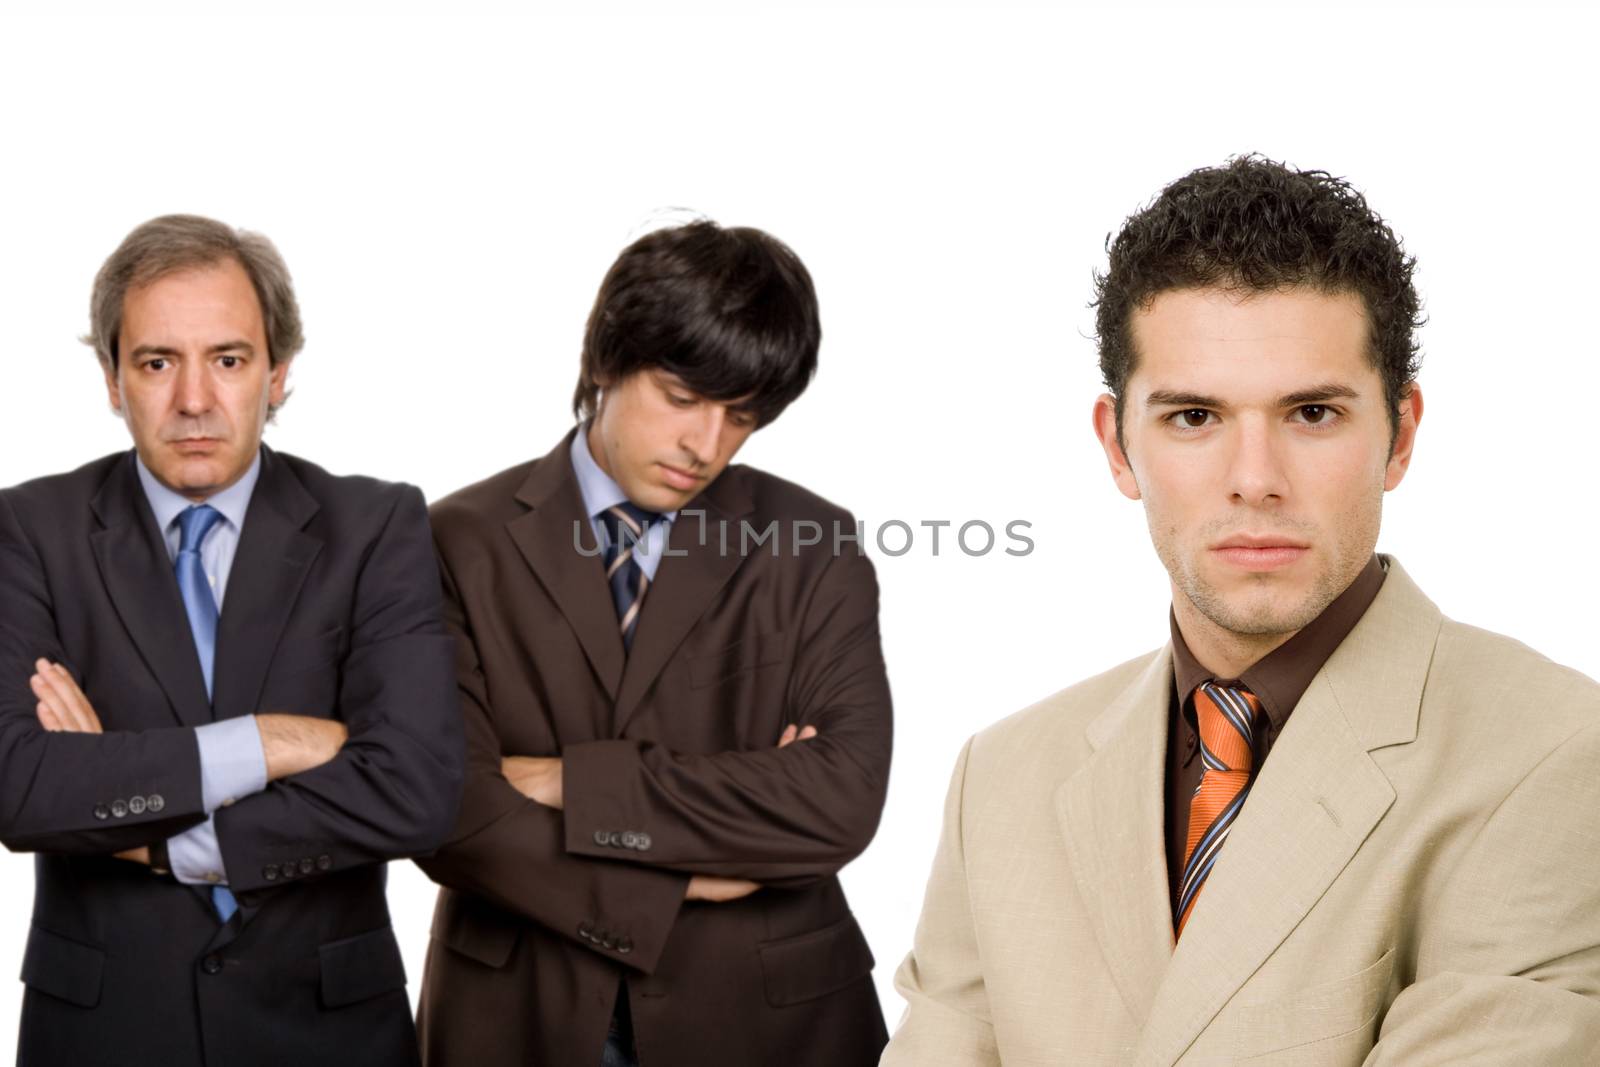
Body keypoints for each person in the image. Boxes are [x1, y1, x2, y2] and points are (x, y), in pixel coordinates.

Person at [884, 156, 1600, 1064]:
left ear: (1400, 434)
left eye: (1310, 412)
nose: (1254, 480)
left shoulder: (1556, 752)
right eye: (1193, 417)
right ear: (1118, 446)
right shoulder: (1003, 778)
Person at [415, 219, 893, 1067]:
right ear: (605, 360)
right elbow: (445, 811)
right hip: (520, 1011)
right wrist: (672, 881)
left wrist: (572, 783)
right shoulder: (454, 539)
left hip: (767, 1019)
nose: (705, 445)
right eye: (682, 398)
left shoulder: (813, 541)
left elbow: (839, 799)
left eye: (741, 417)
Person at [0, 215, 463, 1066]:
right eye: (155, 362)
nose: (193, 401)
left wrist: (143, 825)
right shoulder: (31, 529)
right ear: (111, 378)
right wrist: (268, 743)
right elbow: (19, 784)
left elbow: (417, 789)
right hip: (107, 1031)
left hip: (327, 1028)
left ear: (278, 373)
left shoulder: (375, 526)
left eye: (228, 359)